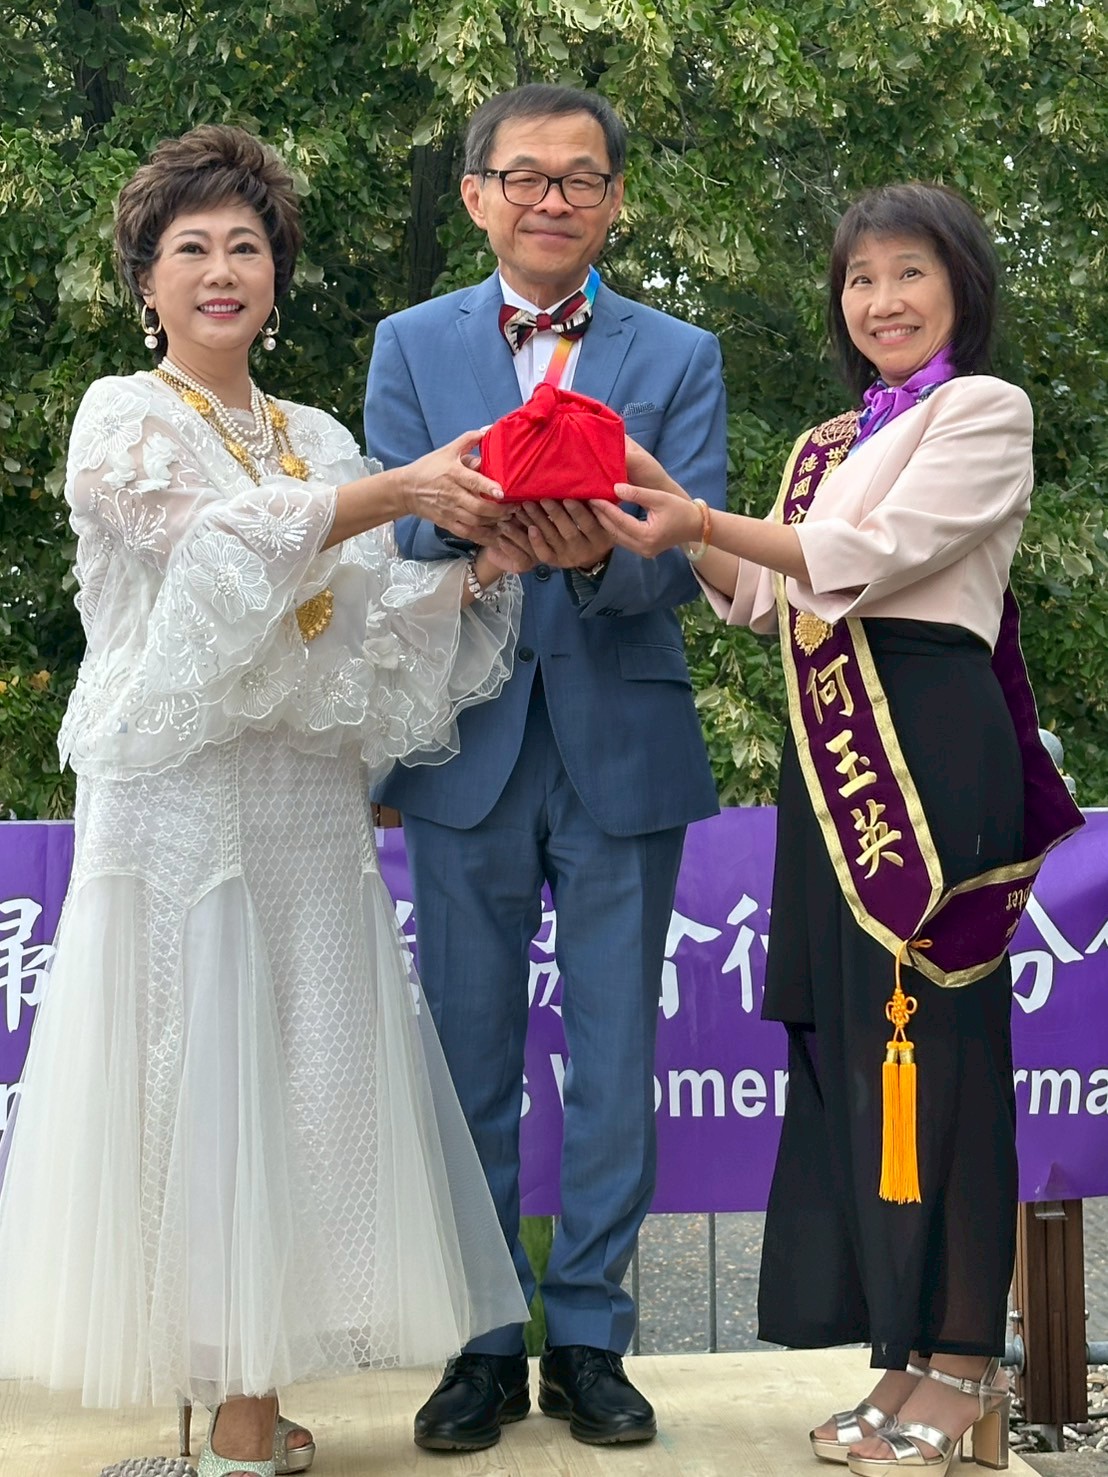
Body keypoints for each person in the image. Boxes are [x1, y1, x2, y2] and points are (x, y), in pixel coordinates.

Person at [0, 124, 534, 1477]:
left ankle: (253, 1408)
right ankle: (234, 1417)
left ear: (277, 277)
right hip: (181, 802)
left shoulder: (312, 437)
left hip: (302, 803)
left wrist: (472, 565)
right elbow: (212, 550)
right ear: (147, 281)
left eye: (246, 246)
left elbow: (349, 620)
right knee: (190, 1073)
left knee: (297, 1082)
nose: (222, 270)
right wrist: (399, 491)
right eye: (193, 249)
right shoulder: (124, 417)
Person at [591, 182, 1081, 1475]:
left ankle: (970, 1358)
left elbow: (863, 552)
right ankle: (899, 1354)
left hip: (933, 740)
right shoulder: (825, 438)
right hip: (838, 767)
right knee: (859, 1060)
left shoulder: (985, 411)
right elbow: (766, 593)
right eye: (860, 281)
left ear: (961, 284)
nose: (882, 301)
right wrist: (664, 501)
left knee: (949, 1053)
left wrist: (701, 518)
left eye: (907, 273)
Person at [364, 83, 727, 1450]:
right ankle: (477, 1336)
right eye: (526, 175)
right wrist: (471, 535)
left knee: (615, 1057)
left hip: (623, 736)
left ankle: (589, 1334)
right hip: (463, 744)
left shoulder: (677, 350)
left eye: (581, 176)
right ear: (478, 196)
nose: (553, 196)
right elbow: (389, 539)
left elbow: (690, 549)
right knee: (468, 1057)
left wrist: (600, 560)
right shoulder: (410, 343)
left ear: (615, 199)